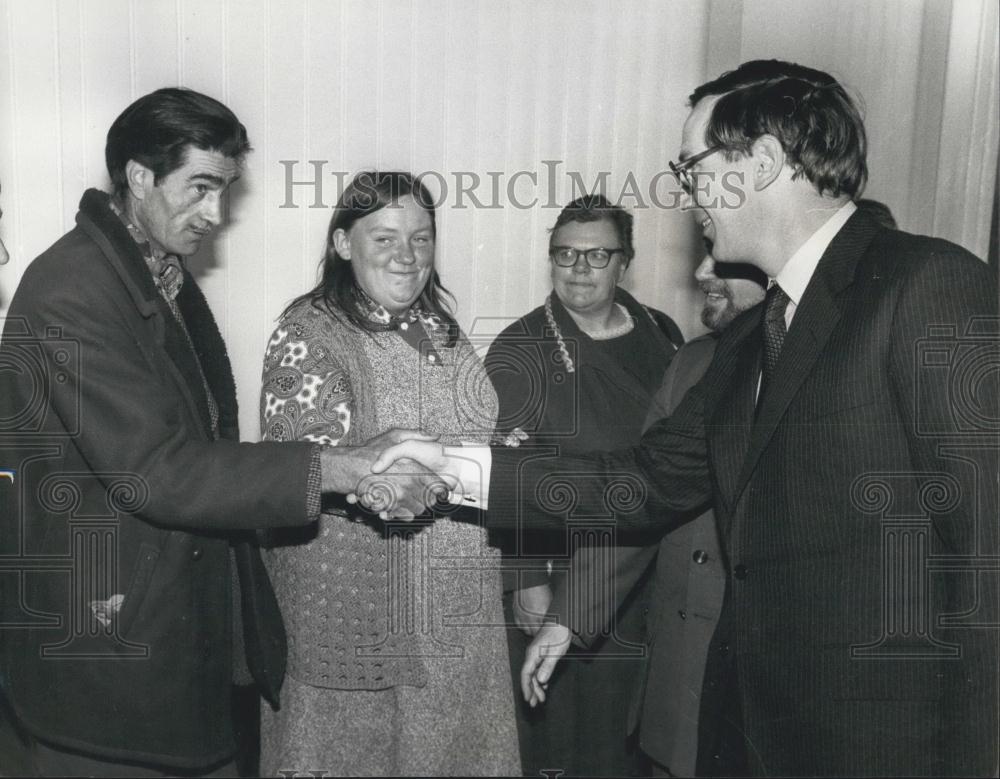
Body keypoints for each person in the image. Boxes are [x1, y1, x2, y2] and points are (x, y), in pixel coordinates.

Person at [376, 59, 999, 776]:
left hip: (882, 747)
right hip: (750, 734)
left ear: (763, 161)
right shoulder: (753, 336)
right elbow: (639, 483)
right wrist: (451, 463)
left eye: (692, 164)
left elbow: (983, 550)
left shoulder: (927, 285)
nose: (685, 190)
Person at [0, 90, 442, 777]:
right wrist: (342, 468)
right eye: (200, 188)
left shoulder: (155, 272)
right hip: (106, 667)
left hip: (164, 645)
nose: (216, 213)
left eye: (225, 190)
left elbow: (203, 446)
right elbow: (160, 470)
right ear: (140, 176)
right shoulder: (72, 289)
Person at [257, 171, 519, 777]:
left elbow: (469, 428)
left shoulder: (438, 328)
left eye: (422, 239)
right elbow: (299, 470)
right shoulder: (310, 332)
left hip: (458, 609)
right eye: (386, 238)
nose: (408, 256)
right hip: (369, 621)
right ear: (344, 243)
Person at [485, 194, 682, 777]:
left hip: (650, 569)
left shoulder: (661, 332)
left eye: (597, 255)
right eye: (564, 254)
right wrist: (526, 582)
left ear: (626, 261)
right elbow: (509, 475)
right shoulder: (521, 348)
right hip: (566, 574)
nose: (578, 269)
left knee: (637, 736)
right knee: (570, 742)